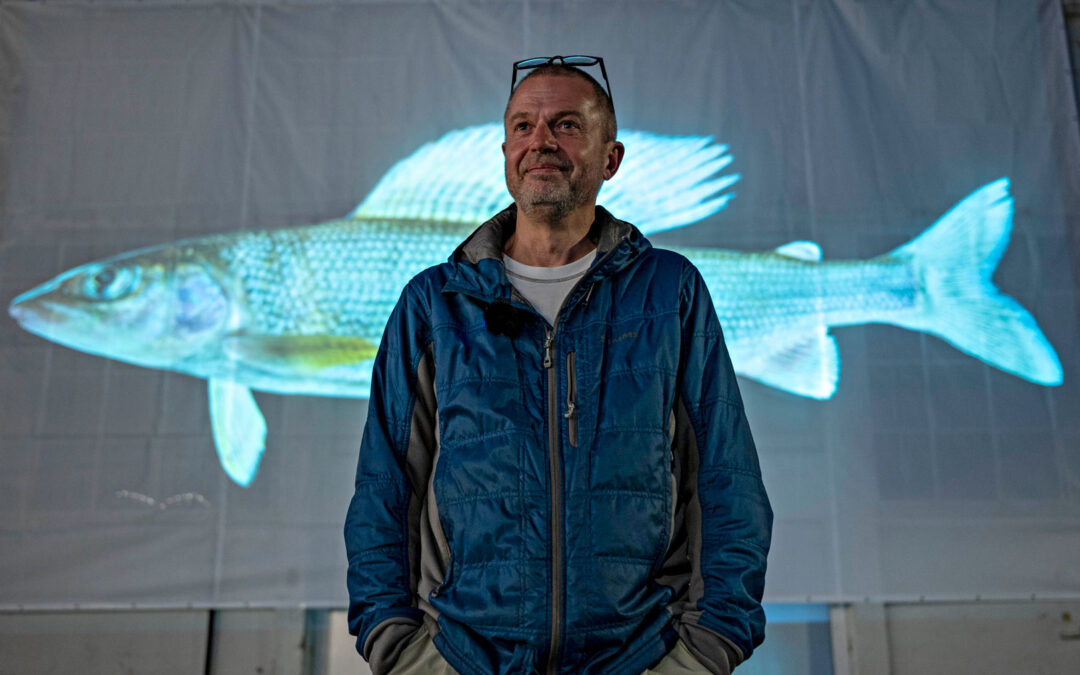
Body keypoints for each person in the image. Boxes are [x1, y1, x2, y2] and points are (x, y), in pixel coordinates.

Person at [345, 55, 772, 675]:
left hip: (642, 658)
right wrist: (398, 648)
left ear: (610, 158)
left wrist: (705, 652)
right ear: (506, 154)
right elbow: (385, 488)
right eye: (523, 126)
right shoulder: (434, 303)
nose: (540, 140)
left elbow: (727, 480)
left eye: (567, 124)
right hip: (463, 659)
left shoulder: (670, 290)